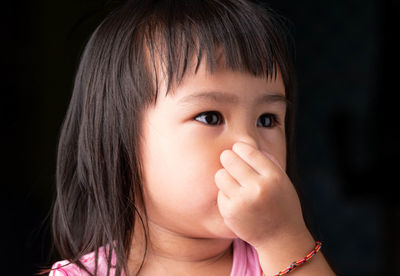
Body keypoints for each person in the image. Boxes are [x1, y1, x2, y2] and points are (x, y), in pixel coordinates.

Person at [46, 0, 336, 275]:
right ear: (116, 146)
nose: (249, 145)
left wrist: (283, 238)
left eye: (267, 119)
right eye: (210, 117)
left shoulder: (279, 258)